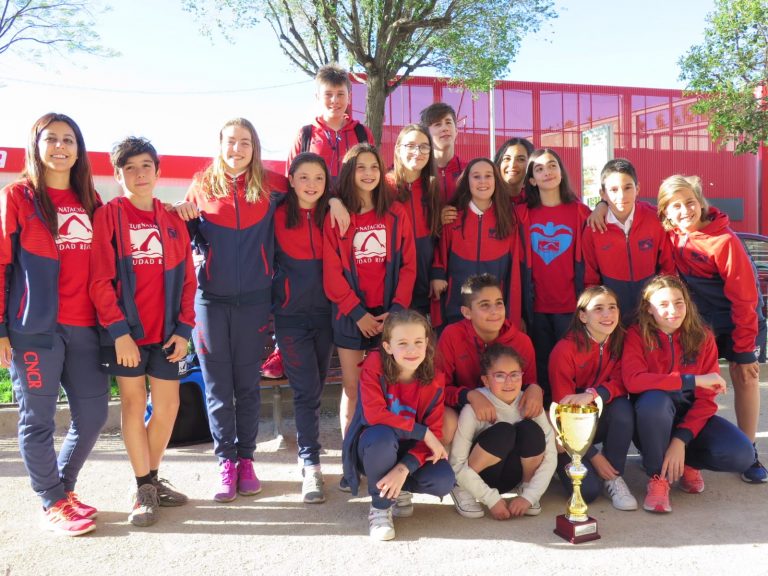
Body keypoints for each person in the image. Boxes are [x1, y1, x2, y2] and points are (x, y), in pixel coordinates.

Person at [0, 113, 107, 535]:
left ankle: (63, 489)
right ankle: (52, 501)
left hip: (85, 326)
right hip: (34, 328)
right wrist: (1, 328)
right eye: (52, 139)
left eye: (69, 139)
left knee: (94, 414)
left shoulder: (90, 200)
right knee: (37, 420)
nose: (60, 147)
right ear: (37, 145)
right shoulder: (19, 198)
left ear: (78, 149)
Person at [90, 137, 196, 526]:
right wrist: (119, 333)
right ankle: (144, 488)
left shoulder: (171, 219)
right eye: (129, 168)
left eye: (145, 166)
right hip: (126, 336)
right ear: (118, 175)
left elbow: (188, 280)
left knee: (168, 407)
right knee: (135, 405)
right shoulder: (109, 216)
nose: (139, 174)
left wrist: (184, 330)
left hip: (167, 334)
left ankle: (149, 479)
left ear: (157, 172)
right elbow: (99, 280)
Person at [182, 118, 287, 503]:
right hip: (209, 302)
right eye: (231, 141)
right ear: (220, 144)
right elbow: (186, 236)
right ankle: (224, 462)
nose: (237, 149)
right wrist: (179, 212)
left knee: (247, 387)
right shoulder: (201, 186)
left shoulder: (273, 186)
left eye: (245, 142)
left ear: (254, 147)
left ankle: (246, 460)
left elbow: (315, 192)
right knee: (217, 388)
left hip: (256, 303)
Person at [657, 175, 766, 483]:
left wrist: (744, 349)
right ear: (665, 211)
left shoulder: (724, 241)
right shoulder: (670, 235)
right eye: (675, 205)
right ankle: (688, 448)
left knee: (744, 377)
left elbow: (745, 300)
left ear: (701, 202)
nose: (684, 211)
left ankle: (750, 451)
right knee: (693, 382)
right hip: (702, 324)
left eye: (690, 202)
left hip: (740, 319)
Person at [622, 275, 754, 513]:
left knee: (742, 455)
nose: (673, 310)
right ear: (648, 309)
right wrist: (692, 380)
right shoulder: (636, 335)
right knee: (655, 400)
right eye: (662, 304)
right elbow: (633, 381)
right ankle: (657, 477)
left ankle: (688, 462)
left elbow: (706, 399)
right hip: (652, 421)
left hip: (690, 423)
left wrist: (680, 440)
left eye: (679, 302)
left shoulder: (702, 336)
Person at [323, 143, 416, 437]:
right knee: (352, 387)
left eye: (374, 167)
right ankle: (351, 458)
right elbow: (332, 273)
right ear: (350, 172)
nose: (368, 173)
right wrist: (357, 312)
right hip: (352, 315)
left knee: (388, 388)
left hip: (390, 314)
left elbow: (409, 266)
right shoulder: (337, 216)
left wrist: (397, 311)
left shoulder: (396, 214)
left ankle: (383, 454)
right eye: (361, 167)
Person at [341, 310, 454, 540]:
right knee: (382, 437)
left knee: (444, 480)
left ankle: (398, 485)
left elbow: (436, 432)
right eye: (402, 343)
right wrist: (423, 433)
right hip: (374, 448)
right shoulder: (374, 365)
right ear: (388, 347)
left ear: (426, 344)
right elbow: (374, 415)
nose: (412, 350)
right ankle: (380, 507)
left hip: (407, 451)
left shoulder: (434, 378)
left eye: (418, 342)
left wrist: (403, 469)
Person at [272, 152, 334, 503]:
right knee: (305, 390)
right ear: (291, 179)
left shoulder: (331, 213)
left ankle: (311, 457)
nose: (311, 185)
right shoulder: (276, 213)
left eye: (319, 179)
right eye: (304, 177)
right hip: (290, 316)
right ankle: (310, 465)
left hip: (326, 314)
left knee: (317, 387)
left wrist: (336, 200)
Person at [549, 286, 637, 511]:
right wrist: (595, 457)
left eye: (612, 308)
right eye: (598, 309)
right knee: (587, 492)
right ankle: (572, 466)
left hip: (599, 416)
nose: (607, 315)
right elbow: (563, 412)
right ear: (583, 316)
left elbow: (623, 380)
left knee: (623, 409)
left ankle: (614, 477)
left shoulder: (622, 340)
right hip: (567, 431)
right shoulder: (565, 350)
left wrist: (594, 394)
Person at [517, 148, 591, 404]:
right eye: (539, 169)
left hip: (571, 308)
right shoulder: (523, 214)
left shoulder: (580, 212)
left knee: (570, 371)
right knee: (541, 372)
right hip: (535, 308)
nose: (546, 172)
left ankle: (573, 426)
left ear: (561, 172)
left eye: (552, 166)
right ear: (532, 180)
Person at [450, 343, 556, 519]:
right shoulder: (475, 406)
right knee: (504, 432)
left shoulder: (529, 402)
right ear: (485, 380)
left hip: (512, 476)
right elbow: (457, 463)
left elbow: (550, 456)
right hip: (482, 476)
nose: (509, 382)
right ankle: (463, 489)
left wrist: (530, 496)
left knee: (530, 429)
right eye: (500, 376)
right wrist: (491, 500)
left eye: (514, 375)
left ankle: (526, 485)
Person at [430, 158, 522, 328]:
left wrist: (513, 317)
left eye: (488, 176)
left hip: (494, 318)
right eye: (476, 176)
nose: (482, 181)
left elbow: (514, 271)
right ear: (467, 181)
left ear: (496, 181)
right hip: (456, 313)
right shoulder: (452, 218)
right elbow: (439, 254)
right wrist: (437, 273)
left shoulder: (508, 220)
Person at [582, 159, 674, 325]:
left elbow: (668, 266)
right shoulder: (593, 229)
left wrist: (665, 301)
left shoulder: (654, 219)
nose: (621, 196)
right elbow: (591, 278)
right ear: (602, 194)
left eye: (627, 187)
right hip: (613, 313)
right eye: (613, 190)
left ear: (637, 188)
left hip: (651, 309)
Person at [285, 63, 373, 185]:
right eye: (328, 94)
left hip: (353, 204)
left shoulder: (362, 133)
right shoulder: (305, 135)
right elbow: (289, 180)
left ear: (349, 98)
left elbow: (373, 175)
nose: (334, 100)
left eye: (340, 94)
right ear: (317, 97)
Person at [386, 124, 441, 315]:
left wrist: (437, 272)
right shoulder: (384, 187)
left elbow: (439, 237)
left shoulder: (433, 188)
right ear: (398, 149)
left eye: (424, 146)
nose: (417, 152)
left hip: (425, 282)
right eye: (410, 146)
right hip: (391, 280)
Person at [420, 102, 463, 205]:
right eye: (438, 124)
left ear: (456, 131)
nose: (445, 128)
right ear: (426, 134)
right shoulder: (419, 172)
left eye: (448, 122)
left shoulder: (469, 171)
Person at [493, 137, 534, 205]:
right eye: (507, 158)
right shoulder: (487, 199)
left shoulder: (539, 200)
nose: (512, 165)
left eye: (521, 159)